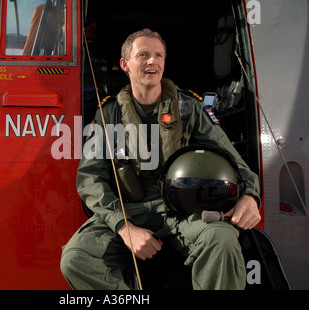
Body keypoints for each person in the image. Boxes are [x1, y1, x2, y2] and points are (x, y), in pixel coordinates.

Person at [60, 29, 261, 290]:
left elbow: (233, 160)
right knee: (76, 258)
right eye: (142, 55)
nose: (152, 61)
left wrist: (250, 195)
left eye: (158, 55)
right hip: (131, 210)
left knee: (221, 239)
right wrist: (123, 227)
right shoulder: (108, 114)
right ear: (125, 64)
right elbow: (91, 178)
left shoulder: (189, 108)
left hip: (185, 211)